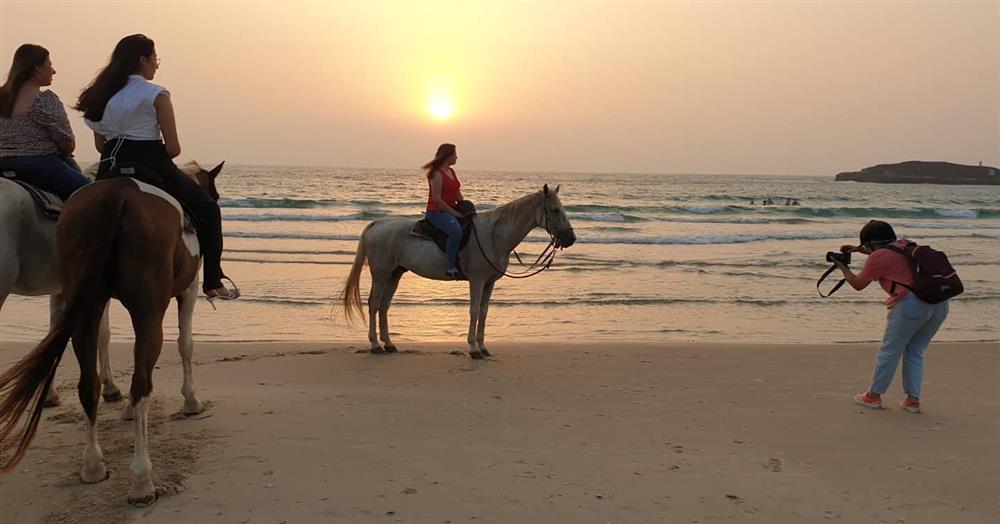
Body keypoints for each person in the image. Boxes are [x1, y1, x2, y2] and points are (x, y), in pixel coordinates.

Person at [75, 34, 237, 301]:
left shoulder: (98, 96)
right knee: (209, 209)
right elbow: (173, 149)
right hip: (150, 162)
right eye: (154, 59)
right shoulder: (156, 94)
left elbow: (100, 147)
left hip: (110, 165)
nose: (156, 65)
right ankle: (211, 280)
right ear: (143, 60)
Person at [832, 220, 949, 413]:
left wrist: (841, 267)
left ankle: (873, 397)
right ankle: (912, 401)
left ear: (870, 243)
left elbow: (858, 284)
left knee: (889, 352)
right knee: (915, 351)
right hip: (940, 303)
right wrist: (858, 250)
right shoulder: (907, 245)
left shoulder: (878, 257)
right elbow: (890, 256)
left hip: (911, 305)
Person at [0, 44, 89, 200]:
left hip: (2, 163)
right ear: (36, 69)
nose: (53, 71)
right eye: (50, 65)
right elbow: (67, 144)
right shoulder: (44, 100)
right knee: (90, 195)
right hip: (38, 165)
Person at [422, 143, 465, 279]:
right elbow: (437, 199)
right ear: (448, 156)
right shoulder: (436, 173)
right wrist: (455, 213)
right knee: (456, 231)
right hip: (437, 212)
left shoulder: (451, 172)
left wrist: (465, 206)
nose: (457, 157)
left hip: (452, 209)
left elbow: (457, 192)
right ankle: (450, 266)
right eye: (454, 154)